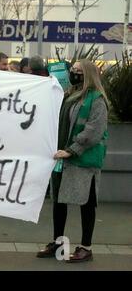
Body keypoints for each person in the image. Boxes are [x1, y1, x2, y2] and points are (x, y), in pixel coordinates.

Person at [37, 59, 109, 263]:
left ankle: (86, 247)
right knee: (59, 202)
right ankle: (58, 242)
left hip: (83, 160)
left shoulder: (96, 99)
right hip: (62, 158)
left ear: (88, 75)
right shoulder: (69, 95)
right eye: (73, 70)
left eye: (78, 71)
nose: (74, 73)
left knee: (86, 204)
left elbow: (94, 131)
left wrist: (71, 150)